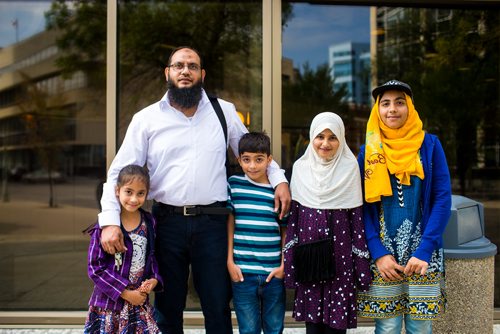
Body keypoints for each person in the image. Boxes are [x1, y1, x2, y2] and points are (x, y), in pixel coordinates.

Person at [97, 46, 291, 334]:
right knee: (167, 306)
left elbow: (250, 149)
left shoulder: (223, 111)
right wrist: (110, 222)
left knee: (216, 304)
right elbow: (118, 173)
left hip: (212, 224)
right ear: (168, 73)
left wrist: (280, 180)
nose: (185, 71)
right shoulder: (146, 119)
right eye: (178, 66)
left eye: (192, 66)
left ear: (202, 74)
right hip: (166, 224)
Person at [356, 80, 452, 334]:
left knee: (420, 326)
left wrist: (424, 250)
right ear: (377, 109)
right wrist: (377, 252)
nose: (392, 109)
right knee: (386, 327)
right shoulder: (368, 152)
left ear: (409, 107)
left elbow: (442, 199)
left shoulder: (429, 146)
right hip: (384, 256)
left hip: (424, 253)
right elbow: (361, 207)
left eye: (400, 102)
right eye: (385, 103)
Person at [283, 112, 372, 334]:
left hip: (340, 262)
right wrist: (290, 264)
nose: (325, 143)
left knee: (336, 327)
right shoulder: (301, 168)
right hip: (309, 260)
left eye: (332, 137)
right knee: (312, 328)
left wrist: (361, 270)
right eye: (320, 136)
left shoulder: (350, 169)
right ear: (311, 137)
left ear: (341, 139)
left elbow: (357, 222)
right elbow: (293, 220)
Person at [84, 164, 162, 333]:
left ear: (147, 194)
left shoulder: (149, 223)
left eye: (140, 193)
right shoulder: (106, 227)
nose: (134, 199)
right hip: (110, 305)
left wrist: (154, 279)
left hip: (139, 305)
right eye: (129, 192)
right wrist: (125, 293)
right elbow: (94, 268)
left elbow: (153, 256)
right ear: (117, 191)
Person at [227, 132, 287, 334]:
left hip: (273, 275)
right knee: (248, 329)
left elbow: (285, 228)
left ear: (269, 160)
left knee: (274, 328)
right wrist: (230, 262)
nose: (252, 165)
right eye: (246, 160)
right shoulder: (234, 185)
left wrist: (283, 265)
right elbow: (230, 223)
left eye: (259, 159)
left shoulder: (277, 190)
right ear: (239, 160)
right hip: (243, 274)